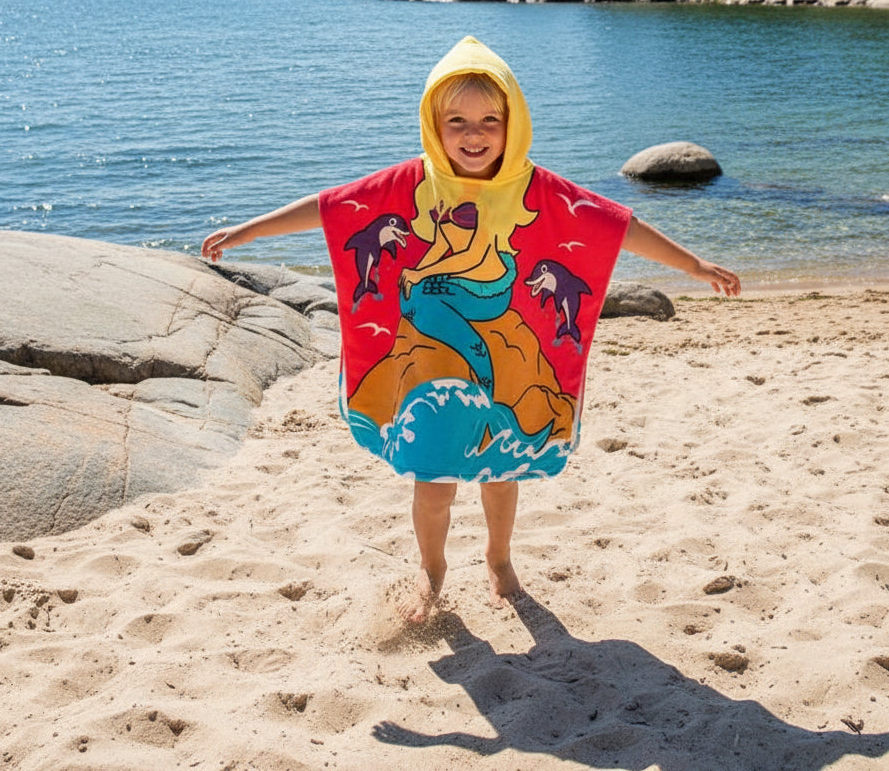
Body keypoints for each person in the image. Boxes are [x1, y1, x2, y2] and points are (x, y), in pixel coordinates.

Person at [202, 35, 740, 623]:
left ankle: (499, 558)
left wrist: (694, 265)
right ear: (434, 124)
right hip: (427, 372)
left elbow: (616, 225)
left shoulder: (536, 190)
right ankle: (432, 572)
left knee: (500, 475)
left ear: (512, 122)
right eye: (456, 121)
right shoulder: (411, 183)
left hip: (495, 358)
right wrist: (247, 231)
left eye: (489, 120)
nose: (473, 134)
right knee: (433, 484)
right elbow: (332, 207)